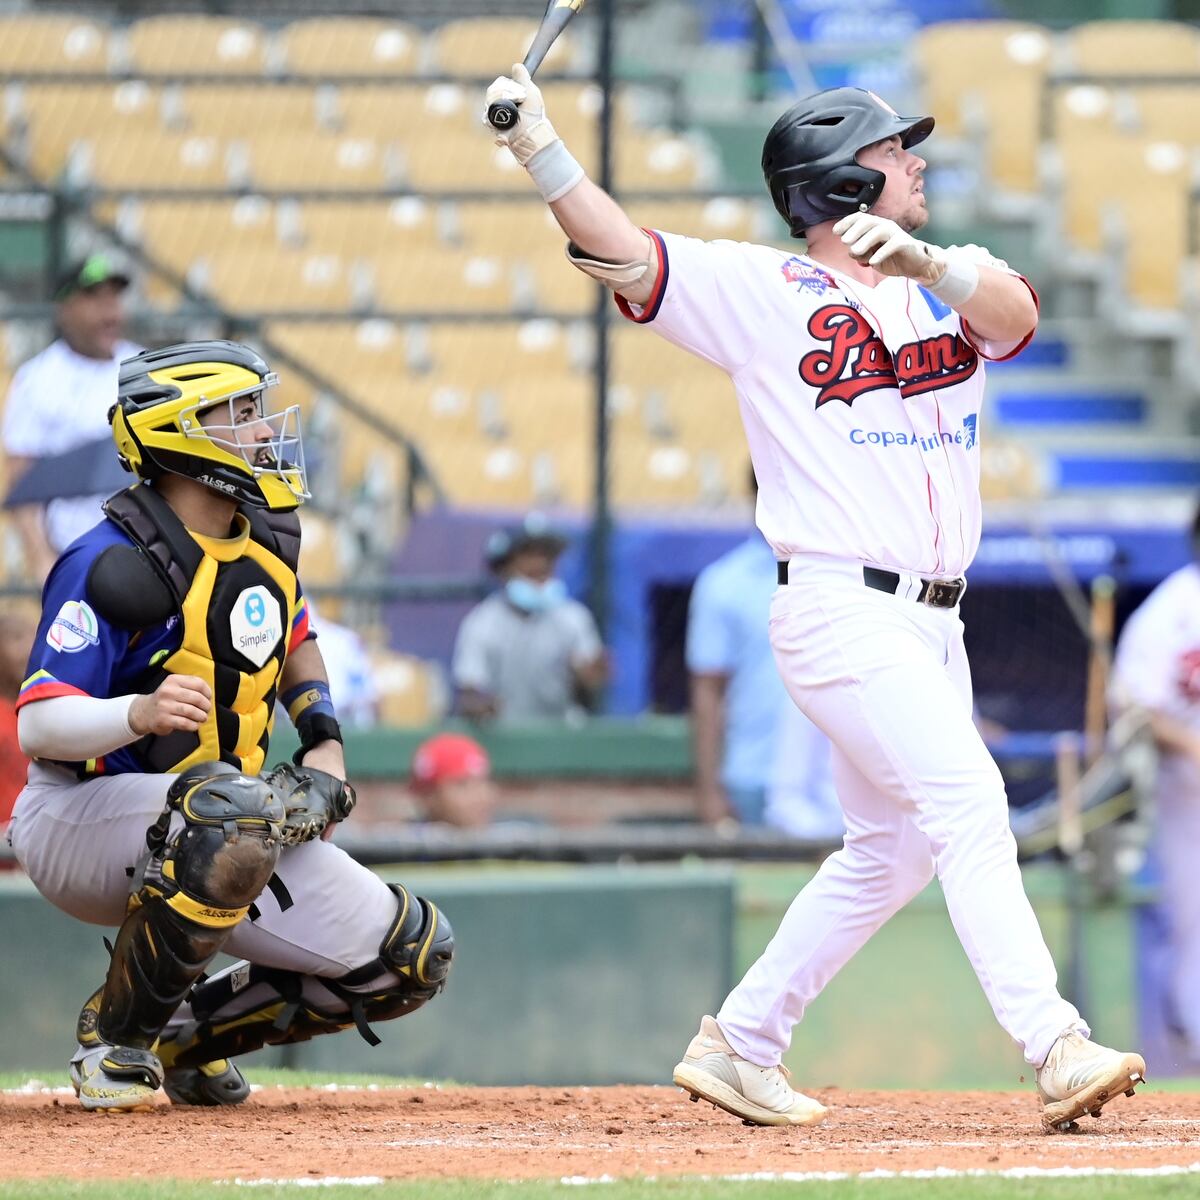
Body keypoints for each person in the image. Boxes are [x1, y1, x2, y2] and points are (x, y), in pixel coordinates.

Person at [482, 71, 1144, 1131]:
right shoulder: (767, 290)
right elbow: (626, 253)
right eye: (893, 150)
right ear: (842, 179)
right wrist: (540, 148)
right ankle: (1054, 1043)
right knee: (969, 805)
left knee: (894, 850)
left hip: (936, 621)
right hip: (843, 605)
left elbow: (1018, 314)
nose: (915, 161)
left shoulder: (945, 282)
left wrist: (929, 263)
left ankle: (743, 1042)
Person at [6, 340, 454, 1113]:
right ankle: (115, 1039)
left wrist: (324, 741)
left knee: (408, 957)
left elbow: (295, 637)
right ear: (181, 431)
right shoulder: (110, 558)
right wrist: (136, 712)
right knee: (231, 808)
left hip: (221, 825)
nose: (265, 429)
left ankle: (182, 1036)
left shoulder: (266, 538)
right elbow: (40, 727)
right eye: (242, 413)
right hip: (74, 819)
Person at [688, 466, 838, 831]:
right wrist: (708, 791)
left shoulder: (844, 576)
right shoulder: (723, 583)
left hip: (833, 784)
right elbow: (707, 691)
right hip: (752, 778)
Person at [1110, 500, 1200, 1065]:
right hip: (1184, 790)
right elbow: (1132, 704)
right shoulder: (1174, 608)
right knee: (1189, 920)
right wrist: (1191, 745)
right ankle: (1186, 1049)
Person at [2, 254, 143, 580]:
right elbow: (21, 476)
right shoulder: (37, 378)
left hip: (145, 550)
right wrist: (42, 559)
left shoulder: (143, 368)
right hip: (74, 555)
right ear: (64, 308)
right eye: (95, 299)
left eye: (114, 298)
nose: (110, 312)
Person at [452, 513, 606, 721]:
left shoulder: (574, 618)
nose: (540, 562)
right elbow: (470, 690)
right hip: (504, 734)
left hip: (563, 733)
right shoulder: (481, 624)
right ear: (503, 567)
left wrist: (587, 681)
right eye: (528, 553)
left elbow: (588, 697)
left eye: (547, 554)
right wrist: (479, 704)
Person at [0, 604, 37, 837]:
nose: (27, 649)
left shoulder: (39, 713)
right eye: (16, 638)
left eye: (33, 637)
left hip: (36, 841)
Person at [410, 731, 498, 828]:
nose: (480, 797)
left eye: (483, 782)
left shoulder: (502, 831)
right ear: (429, 795)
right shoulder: (407, 835)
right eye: (462, 784)